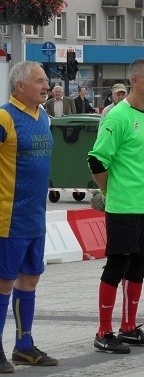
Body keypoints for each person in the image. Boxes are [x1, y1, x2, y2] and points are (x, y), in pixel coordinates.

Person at [87, 58, 144, 354]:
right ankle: (103, 331)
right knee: (117, 264)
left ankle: (129, 327)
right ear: (134, 80)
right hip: (123, 205)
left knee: (140, 264)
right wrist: (108, 190)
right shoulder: (117, 117)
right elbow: (96, 159)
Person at [0, 61, 59, 371]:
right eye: (39, 81)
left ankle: (24, 345)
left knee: (30, 279)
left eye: (46, 81)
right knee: (4, 282)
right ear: (20, 86)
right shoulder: (4, 117)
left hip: (35, 217)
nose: (46, 86)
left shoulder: (43, 117)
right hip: (8, 217)